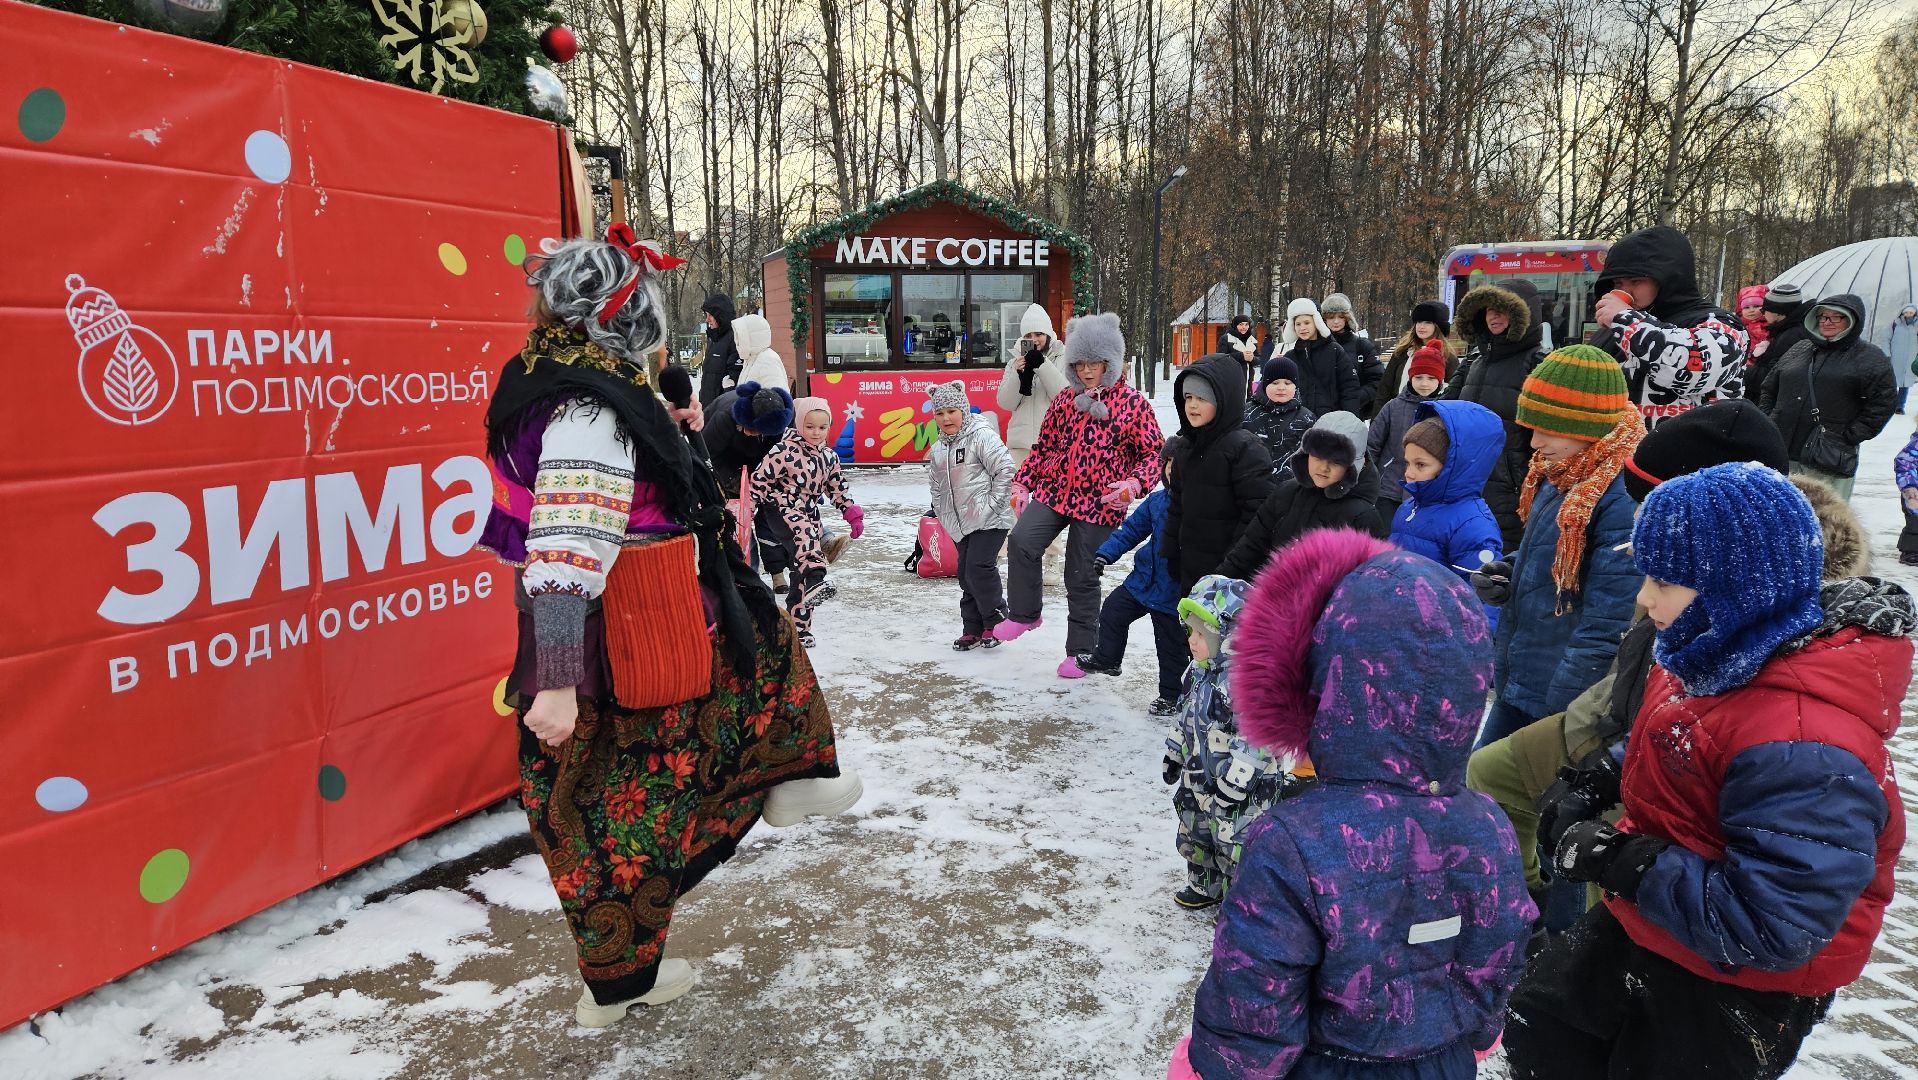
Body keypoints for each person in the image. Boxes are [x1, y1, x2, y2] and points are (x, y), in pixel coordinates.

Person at [479, 228, 857, 1028]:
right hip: (614, 633)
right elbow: (566, 544)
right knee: (622, 806)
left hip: (631, 619)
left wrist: (672, 429)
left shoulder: (559, 379)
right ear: (627, 320)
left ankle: (788, 781)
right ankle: (620, 976)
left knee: (747, 667)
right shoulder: (590, 411)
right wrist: (557, 677)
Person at [1505, 463, 1913, 1080]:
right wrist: (1601, 776)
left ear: (1736, 588)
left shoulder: (1806, 745)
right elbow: (1683, 738)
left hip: (1738, 981)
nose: (1644, 597)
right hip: (1659, 920)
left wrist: (1621, 861)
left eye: (1664, 581)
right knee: (1545, 1031)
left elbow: (1777, 923)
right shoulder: (1708, 653)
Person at [1167, 529, 1533, 1080]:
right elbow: (1498, 953)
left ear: (1328, 684)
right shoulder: (1490, 826)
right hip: (1442, 1065)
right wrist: (1470, 1036)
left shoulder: (1293, 843)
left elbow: (1254, 1001)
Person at [1467, 400, 1796, 914]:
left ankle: (1569, 926)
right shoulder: (1564, 481)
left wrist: (1592, 736)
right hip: (1606, 715)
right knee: (1494, 776)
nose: (1533, 442)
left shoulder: (1749, 618)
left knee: (1586, 845)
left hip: (1608, 718)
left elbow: (1608, 628)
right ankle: (1533, 911)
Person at [1469, 345, 1642, 750]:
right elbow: (1554, 554)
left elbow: (1608, 622)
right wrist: (1509, 572)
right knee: (1479, 778)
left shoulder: (1620, 497)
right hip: (1524, 677)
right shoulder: (1564, 469)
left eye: (1549, 429)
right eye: (1532, 427)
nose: (1535, 442)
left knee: (1488, 780)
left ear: (1589, 426)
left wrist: (1562, 715)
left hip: (1558, 698)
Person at [996, 313, 1164, 675]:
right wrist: (1023, 482)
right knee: (1022, 540)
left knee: (1081, 574)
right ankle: (1025, 613)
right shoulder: (1065, 401)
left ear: (1110, 362)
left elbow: (1155, 454)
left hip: (1102, 502)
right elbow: (1043, 448)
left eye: (1095, 363)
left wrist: (1133, 484)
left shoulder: (1133, 404)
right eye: (1080, 364)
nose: (1087, 371)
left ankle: (1081, 650)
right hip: (1056, 490)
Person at [1161, 575, 1298, 911]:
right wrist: (1174, 752)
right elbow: (1185, 715)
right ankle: (1204, 884)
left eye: (1201, 634)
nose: (1192, 641)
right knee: (1196, 831)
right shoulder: (1198, 672)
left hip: (1244, 790)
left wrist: (1236, 782)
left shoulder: (1253, 682)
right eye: (1190, 631)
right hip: (1199, 777)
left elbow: (1260, 739)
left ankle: (1241, 903)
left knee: (1237, 842)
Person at [1590, 225, 1746, 427]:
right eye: (1618, 283)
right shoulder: (1617, 327)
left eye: (1636, 281)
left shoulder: (1717, 322)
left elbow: (1694, 369)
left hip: (1696, 443)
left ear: (1668, 278)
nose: (1625, 291)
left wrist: (1625, 320)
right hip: (1627, 444)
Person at [1758, 293, 1899, 500]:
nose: (1827, 322)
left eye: (1836, 317)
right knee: (1781, 510)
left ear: (1852, 321)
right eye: (1823, 316)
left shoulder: (1869, 357)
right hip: (1783, 449)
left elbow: (1884, 402)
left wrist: (1850, 435)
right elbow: (1769, 387)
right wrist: (1769, 420)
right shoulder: (1800, 348)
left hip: (1828, 456)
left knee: (1825, 514)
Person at [1216, 412, 1388, 579]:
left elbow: (1371, 581)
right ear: (1305, 454)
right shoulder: (1286, 493)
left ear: (1354, 466)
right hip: (1271, 592)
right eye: (1317, 457)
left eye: (1336, 462)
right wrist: (1216, 582)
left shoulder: (1363, 517)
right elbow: (1250, 547)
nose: (1323, 468)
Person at [1083, 441, 1187, 714]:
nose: (1171, 470)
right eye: (1168, 463)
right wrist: (1106, 553)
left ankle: (1171, 696)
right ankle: (1108, 658)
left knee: (1170, 645)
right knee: (1113, 610)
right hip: (1143, 581)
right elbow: (1131, 530)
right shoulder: (1157, 501)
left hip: (1172, 590)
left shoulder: (1198, 507)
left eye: (1178, 464)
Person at [750, 397, 864, 646]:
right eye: (810, 426)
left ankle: (798, 627)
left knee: (801, 566)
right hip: (781, 509)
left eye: (822, 427)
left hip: (809, 512)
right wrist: (747, 510)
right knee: (808, 542)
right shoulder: (783, 451)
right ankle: (817, 579)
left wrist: (851, 513)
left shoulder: (829, 457)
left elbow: (838, 488)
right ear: (800, 424)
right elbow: (758, 481)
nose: (816, 432)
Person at [1445, 279, 1547, 553]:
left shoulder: (1537, 363)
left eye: (1502, 309)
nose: (1493, 316)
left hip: (1512, 490)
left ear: (1523, 314)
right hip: (1465, 481)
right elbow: (1445, 414)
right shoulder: (1474, 362)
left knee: (1503, 561)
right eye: (1489, 309)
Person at [1164, 353, 1274, 596]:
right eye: (1188, 397)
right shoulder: (1185, 447)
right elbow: (1177, 506)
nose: (1192, 405)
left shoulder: (1245, 449)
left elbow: (1258, 516)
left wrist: (1232, 566)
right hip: (1191, 567)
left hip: (1231, 575)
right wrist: (1171, 551)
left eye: (1202, 398)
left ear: (1225, 400)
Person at [925, 380, 1015, 650]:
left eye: (951, 411)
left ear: (963, 410)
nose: (946, 418)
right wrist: (942, 512)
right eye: (940, 413)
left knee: (979, 569)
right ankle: (972, 628)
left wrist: (991, 505)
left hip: (991, 519)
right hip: (960, 523)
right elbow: (936, 485)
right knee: (966, 574)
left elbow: (1006, 470)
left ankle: (996, 622)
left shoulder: (981, 436)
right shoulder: (939, 448)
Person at [1386, 400, 1505, 604]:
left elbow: (1481, 597)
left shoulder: (1472, 524)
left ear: (1452, 468)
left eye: (1420, 465)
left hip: (1438, 619)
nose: (1409, 473)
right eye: (1407, 463)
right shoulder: (1409, 507)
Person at [1365, 341, 1449, 524]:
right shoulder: (1393, 407)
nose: (1424, 383)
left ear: (1440, 380)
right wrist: (1370, 479)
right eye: (1419, 377)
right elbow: (1372, 445)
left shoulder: (1446, 411)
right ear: (1410, 378)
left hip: (1427, 490)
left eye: (1431, 378)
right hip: (1389, 488)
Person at [1278, 297, 1361, 417]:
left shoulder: (1334, 351)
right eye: (1298, 324)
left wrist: (1348, 419)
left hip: (1331, 421)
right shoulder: (1290, 357)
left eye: (1307, 323)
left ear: (1316, 323)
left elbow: (1349, 388)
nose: (1302, 328)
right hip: (1298, 421)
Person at [1242, 356, 1316, 478]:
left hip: (1290, 484)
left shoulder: (1307, 417)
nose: (1281, 388)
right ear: (1264, 384)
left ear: (1296, 386)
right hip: (1250, 481)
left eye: (1288, 383)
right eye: (1275, 383)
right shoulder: (1246, 412)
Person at [1378, 298, 1459, 403]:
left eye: (1428, 322)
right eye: (1419, 321)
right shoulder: (1402, 351)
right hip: (1397, 409)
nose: (1421, 326)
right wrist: (1381, 412)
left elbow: (1452, 394)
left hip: (1432, 410)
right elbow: (1384, 388)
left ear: (1438, 326)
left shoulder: (1448, 357)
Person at [1321, 291, 1385, 416]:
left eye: (1341, 316)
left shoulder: (1362, 346)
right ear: (1324, 319)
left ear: (1347, 317)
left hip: (1355, 414)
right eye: (1331, 317)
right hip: (1323, 414)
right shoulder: (1317, 346)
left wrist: (1355, 399)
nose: (1336, 321)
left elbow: (1377, 380)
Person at [1754, 282, 1811, 394]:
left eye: (1764, 310)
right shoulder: (1786, 330)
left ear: (1778, 313)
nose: (1762, 314)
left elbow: (1772, 376)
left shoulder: (1791, 337)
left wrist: (1743, 370)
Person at [697, 291, 742, 406]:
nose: (707, 320)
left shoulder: (735, 340)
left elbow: (734, 383)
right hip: (708, 408)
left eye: (710, 315)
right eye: (706, 315)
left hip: (721, 410)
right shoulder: (714, 339)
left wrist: (721, 410)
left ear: (721, 316)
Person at [731, 312, 789, 392]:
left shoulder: (767, 360)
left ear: (751, 337)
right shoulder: (751, 359)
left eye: (740, 337)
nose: (737, 342)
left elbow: (775, 397)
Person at [1220, 313, 1260, 395]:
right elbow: (1221, 358)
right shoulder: (1226, 338)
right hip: (1231, 380)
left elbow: (1258, 360)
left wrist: (1252, 358)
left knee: (1247, 401)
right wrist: (1241, 356)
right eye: (1241, 324)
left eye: (1246, 324)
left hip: (1248, 381)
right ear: (1235, 325)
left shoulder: (1252, 340)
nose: (1244, 327)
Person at [1897, 415, 1918, 565]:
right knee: (1915, 523)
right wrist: (1909, 486)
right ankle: (1911, 551)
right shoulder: (1916, 445)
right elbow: (1904, 463)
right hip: (1915, 492)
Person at [1888, 304, 1917, 414]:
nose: (1908, 315)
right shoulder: (1895, 324)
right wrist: (1887, 354)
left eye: (1911, 313)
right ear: (1902, 313)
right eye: (1906, 312)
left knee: (1905, 384)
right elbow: (1886, 339)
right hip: (1896, 358)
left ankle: (1900, 406)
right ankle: (1889, 404)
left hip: (1911, 359)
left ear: (1915, 313)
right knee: (1891, 382)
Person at [1737, 284, 1770, 363]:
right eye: (1746, 307)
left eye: (1756, 306)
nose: (1751, 310)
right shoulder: (1738, 326)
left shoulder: (1770, 325)